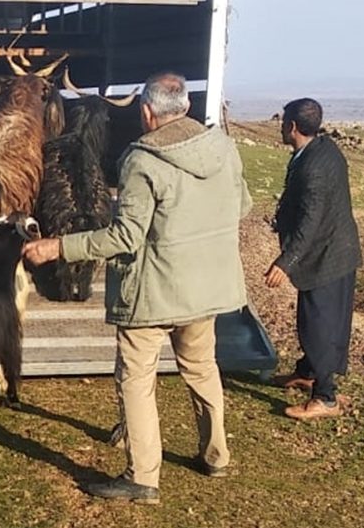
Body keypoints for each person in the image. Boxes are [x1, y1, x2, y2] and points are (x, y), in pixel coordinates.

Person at [24, 72, 251, 504]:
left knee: (137, 378)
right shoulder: (223, 147)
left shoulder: (142, 160)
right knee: (202, 369)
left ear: (147, 112)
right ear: (183, 107)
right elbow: (242, 205)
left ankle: (143, 476)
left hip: (154, 292)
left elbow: (124, 237)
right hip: (208, 288)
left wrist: (59, 246)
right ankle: (216, 455)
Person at [264, 97, 362, 420]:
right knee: (325, 320)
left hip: (326, 256)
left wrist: (284, 262)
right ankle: (307, 372)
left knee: (318, 325)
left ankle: (326, 397)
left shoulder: (315, 168)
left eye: (282, 122)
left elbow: (311, 222)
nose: (279, 126)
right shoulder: (324, 149)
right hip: (336, 249)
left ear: (292, 126)